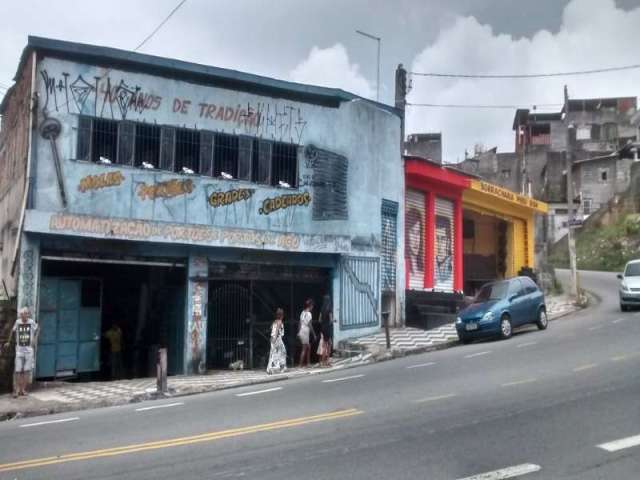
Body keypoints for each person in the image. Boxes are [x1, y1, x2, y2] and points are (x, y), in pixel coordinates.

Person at [4, 307, 38, 398]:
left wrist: (34, 339)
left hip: (29, 351)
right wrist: (8, 341)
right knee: (18, 370)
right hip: (19, 350)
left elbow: (38, 329)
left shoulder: (31, 322)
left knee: (26, 371)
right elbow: (12, 330)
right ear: (20, 315)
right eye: (23, 314)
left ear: (28, 315)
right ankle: (17, 390)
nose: (25, 315)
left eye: (26, 314)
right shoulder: (18, 322)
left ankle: (23, 390)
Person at [266, 308, 287, 374]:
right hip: (277, 339)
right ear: (281, 315)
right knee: (282, 352)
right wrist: (275, 337)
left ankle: (271, 368)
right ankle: (279, 367)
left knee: (273, 353)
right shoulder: (280, 321)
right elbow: (277, 329)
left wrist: (273, 337)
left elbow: (271, 328)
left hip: (273, 339)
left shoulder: (274, 321)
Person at [298, 299, 314, 368]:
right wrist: (314, 334)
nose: (312, 307)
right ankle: (300, 364)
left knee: (308, 347)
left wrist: (299, 331)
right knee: (304, 349)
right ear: (310, 306)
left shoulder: (302, 312)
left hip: (302, 330)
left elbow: (299, 323)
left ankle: (308, 363)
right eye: (312, 306)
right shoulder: (309, 314)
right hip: (305, 331)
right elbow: (310, 325)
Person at [318, 294, 333, 367]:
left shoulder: (322, 309)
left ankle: (324, 362)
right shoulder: (329, 309)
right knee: (329, 345)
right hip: (328, 328)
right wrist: (333, 320)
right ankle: (326, 361)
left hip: (323, 328)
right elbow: (331, 320)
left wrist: (324, 322)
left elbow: (319, 319)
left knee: (326, 344)